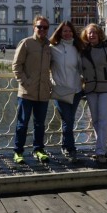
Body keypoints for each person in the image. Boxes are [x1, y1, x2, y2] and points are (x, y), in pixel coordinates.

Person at [11, 16, 52, 164]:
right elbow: (16, 66)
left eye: (45, 27)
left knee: (40, 124)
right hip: (27, 92)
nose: (42, 30)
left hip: (43, 92)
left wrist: (50, 84)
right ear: (33, 27)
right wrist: (25, 82)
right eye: (39, 27)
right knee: (22, 124)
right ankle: (18, 151)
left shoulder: (49, 46)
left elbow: (53, 67)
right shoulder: (26, 43)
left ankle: (39, 150)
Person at [80, 23, 107, 164]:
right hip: (91, 89)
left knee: (103, 120)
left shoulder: (106, 50)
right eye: (89, 33)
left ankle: (100, 152)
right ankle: (101, 148)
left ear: (99, 35)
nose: (92, 35)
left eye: (94, 33)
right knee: (96, 121)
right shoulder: (83, 51)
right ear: (86, 35)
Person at [49, 21, 85, 161]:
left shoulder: (77, 48)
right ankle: (71, 149)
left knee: (69, 120)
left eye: (70, 31)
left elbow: (82, 68)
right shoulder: (53, 48)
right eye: (64, 31)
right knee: (68, 120)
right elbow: (44, 65)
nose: (67, 33)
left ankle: (65, 146)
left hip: (76, 90)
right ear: (59, 32)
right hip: (60, 90)